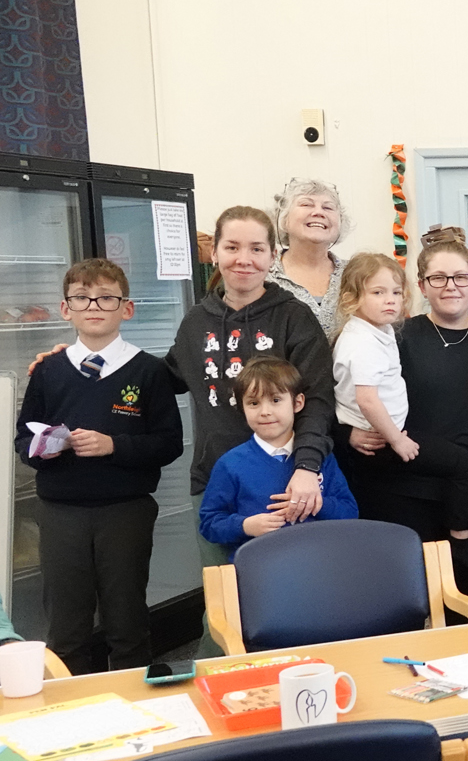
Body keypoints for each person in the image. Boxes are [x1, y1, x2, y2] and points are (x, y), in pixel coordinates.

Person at [14, 259, 182, 672]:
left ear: (126, 308)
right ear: (65, 308)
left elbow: (169, 443)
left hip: (124, 511)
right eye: (82, 298)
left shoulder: (148, 371)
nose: (94, 305)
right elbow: (22, 439)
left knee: (126, 619)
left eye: (106, 297)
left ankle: (134, 707)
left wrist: (114, 445)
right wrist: (42, 449)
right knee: (66, 624)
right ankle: (72, 713)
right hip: (59, 512)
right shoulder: (48, 370)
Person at [348, 230, 468, 609]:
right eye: (438, 278)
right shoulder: (394, 337)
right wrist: (349, 433)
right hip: (403, 489)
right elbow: (350, 395)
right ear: (422, 285)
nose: (450, 287)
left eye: (461, 277)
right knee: (400, 601)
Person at [166, 205, 335, 568]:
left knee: (293, 594)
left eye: (257, 249)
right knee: (223, 607)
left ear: (273, 256)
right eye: (232, 247)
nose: (244, 259)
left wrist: (307, 468)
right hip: (217, 482)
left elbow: (318, 399)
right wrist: (89, 354)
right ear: (214, 253)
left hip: (286, 482)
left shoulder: (293, 317)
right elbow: (164, 377)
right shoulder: (196, 322)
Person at [330, 252, 468, 544]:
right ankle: (461, 541)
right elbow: (367, 400)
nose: (390, 300)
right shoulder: (362, 343)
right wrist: (397, 439)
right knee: (463, 465)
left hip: (384, 437)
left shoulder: (377, 330)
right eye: (378, 292)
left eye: (396, 292)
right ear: (352, 298)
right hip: (382, 442)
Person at [198, 357, 358, 559]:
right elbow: (209, 523)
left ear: (297, 403)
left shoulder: (320, 458)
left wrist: (317, 504)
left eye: (275, 400)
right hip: (260, 571)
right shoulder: (230, 464)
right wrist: (245, 525)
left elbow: (350, 512)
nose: (265, 412)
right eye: (253, 403)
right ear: (242, 407)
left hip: (320, 567)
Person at [266, 179, 350, 335]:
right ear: (283, 218)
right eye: (306, 204)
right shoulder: (263, 276)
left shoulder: (357, 274)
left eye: (328, 207)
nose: (319, 212)